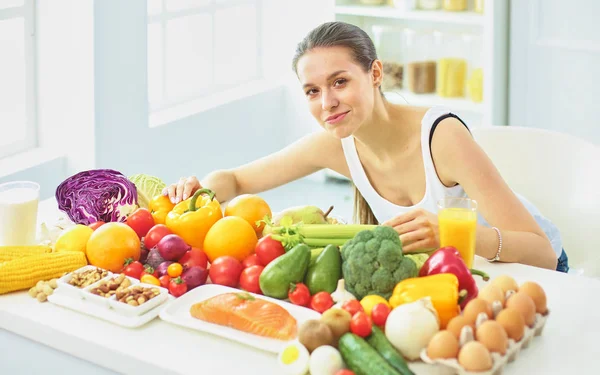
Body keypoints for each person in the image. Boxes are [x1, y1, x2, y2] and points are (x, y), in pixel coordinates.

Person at [164, 21, 568, 272]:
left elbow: (543, 254)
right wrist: (194, 193)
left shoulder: (442, 137)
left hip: (524, 268)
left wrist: (446, 232)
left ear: (375, 73)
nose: (327, 103)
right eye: (312, 91)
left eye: (340, 82)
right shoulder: (334, 145)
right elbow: (235, 179)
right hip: (457, 276)